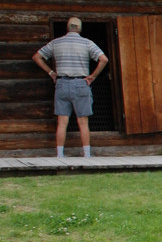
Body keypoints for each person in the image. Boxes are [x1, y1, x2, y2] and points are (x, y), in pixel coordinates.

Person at [32, 17, 108, 158]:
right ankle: (87, 155)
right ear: (79, 28)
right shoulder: (87, 43)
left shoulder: (56, 42)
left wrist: (51, 73)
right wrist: (93, 76)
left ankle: (60, 155)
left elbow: (37, 57)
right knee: (83, 122)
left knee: (62, 122)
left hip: (61, 83)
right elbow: (104, 59)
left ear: (67, 28)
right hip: (81, 83)